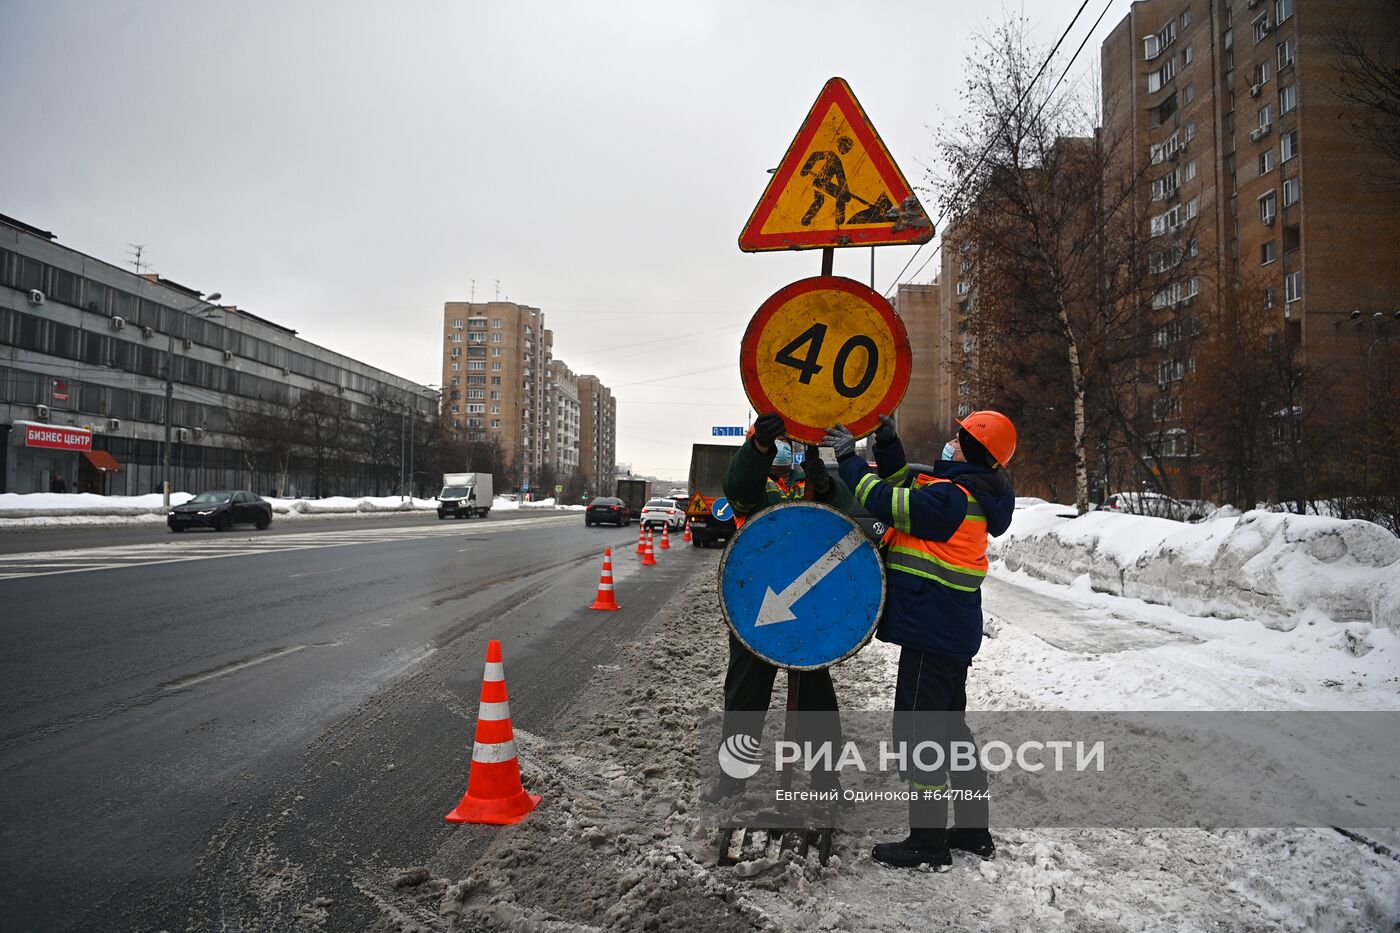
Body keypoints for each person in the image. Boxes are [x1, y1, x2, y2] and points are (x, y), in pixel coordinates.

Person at [824, 410, 1017, 869]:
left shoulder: (950, 499)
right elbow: (905, 486)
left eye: (960, 437)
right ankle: (973, 830)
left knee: (919, 736)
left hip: (932, 635)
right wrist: (888, 444)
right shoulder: (964, 493)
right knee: (952, 734)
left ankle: (927, 842)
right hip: (949, 634)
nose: (951, 441)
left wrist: (849, 459)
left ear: (973, 450)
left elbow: (884, 500)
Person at [704, 411, 855, 802]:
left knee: (816, 702)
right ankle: (733, 780)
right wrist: (758, 447)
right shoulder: (758, 485)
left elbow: (844, 511)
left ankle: (826, 781)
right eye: (777, 442)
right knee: (745, 697)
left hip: (808, 607)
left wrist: (824, 488)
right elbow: (737, 487)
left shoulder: (809, 479)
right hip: (756, 606)